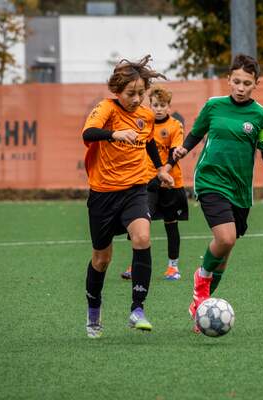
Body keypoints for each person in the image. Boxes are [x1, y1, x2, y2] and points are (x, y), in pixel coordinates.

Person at [173, 54, 263, 333]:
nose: (241, 88)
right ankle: (201, 283)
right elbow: (196, 133)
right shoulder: (214, 106)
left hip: (240, 190)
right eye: (236, 81)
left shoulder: (262, 116)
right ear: (229, 80)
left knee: (226, 250)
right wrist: (183, 149)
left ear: (256, 84)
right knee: (225, 238)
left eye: (247, 83)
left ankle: (202, 307)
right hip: (210, 180)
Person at [82, 55, 174, 338]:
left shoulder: (146, 115)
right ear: (117, 90)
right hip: (103, 195)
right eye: (130, 93)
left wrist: (160, 169)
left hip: (135, 190)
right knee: (102, 259)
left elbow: (149, 144)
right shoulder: (106, 108)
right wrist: (114, 134)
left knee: (143, 238)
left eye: (140, 93)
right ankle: (94, 312)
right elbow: (89, 132)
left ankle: (137, 310)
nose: (136, 99)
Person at [121, 85, 189, 281]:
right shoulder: (144, 123)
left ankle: (173, 267)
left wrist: (163, 172)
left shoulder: (175, 125)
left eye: (163, 105)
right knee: (140, 223)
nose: (159, 109)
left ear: (169, 106)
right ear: (149, 105)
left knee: (171, 225)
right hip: (146, 182)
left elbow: (175, 153)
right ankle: (135, 265)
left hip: (170, 182)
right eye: (155, 105)